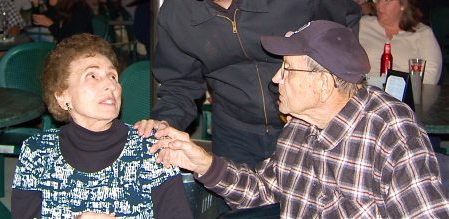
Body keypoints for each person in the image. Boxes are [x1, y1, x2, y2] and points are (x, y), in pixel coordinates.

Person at [125, 0, 361, 169]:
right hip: (235, 134)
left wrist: (333, 92)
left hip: (312, 126)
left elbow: (344, 28)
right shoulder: (175, 17)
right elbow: (179, 86)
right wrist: (165, 123)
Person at [151, 20, 449, 218]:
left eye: (287, 69)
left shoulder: (389, 130)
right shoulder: (298, 126)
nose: (276, 78)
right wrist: (202, 162)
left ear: (323, 83)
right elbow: (263, 192)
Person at [11, 33, 193, 219]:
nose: (110, 85)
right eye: (92, 75)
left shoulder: (151, 149)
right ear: (62, 95)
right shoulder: (37, 152)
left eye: (113, 76)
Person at [359, 0, 442, 84]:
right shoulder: (362, 25)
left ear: (403, 4)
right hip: (366, 92)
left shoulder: (422, 33)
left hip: (404, 95)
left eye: (387, 0)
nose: (379, 5)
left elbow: (431, 73)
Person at [30, 0, 94, 43]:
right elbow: (36, 21)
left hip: (81, 52)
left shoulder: (80, 11)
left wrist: (51, 24)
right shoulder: (59, 8)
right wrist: (35, 5)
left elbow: (70, 42)